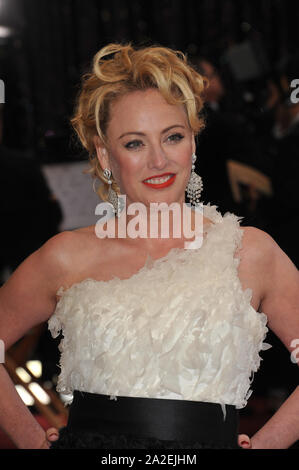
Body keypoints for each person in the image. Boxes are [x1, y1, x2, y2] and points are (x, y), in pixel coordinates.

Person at [0, 43, 298, 450]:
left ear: (192, 143)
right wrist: (30, 439)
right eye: (135, 143)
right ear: (106, 155)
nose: (158, 160)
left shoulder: (249, 253)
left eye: (172, 137)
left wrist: (268, 445)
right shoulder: (67, 256)